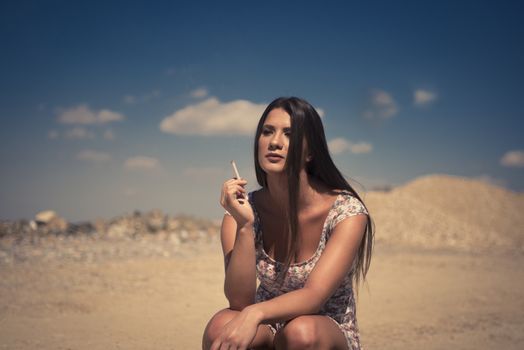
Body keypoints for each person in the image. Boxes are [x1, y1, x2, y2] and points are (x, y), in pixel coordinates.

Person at [202, 97, 374, 350]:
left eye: (289, 134)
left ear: (311, 151)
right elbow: (239, 300)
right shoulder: (241, 212)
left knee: (301, 333)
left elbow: (313, 297)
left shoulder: (346, 212)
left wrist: (254, 314)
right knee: (221, 325)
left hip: (322, 330)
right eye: (267, 131)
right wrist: (245, 226)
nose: (274, 142)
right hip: (267, 327)